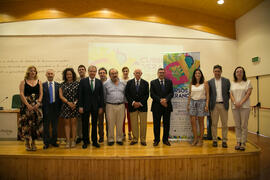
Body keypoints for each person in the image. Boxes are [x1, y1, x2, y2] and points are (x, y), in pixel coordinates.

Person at [79, 65, 104, 149]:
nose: (92, 73)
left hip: (96, 107)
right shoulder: (83, 81)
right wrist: (80, 106)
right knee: (85, 125)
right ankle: (85, 141)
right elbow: (80, 95)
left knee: (94, 124)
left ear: (96, 72)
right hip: (85, 107)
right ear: (88, 72)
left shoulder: (99, 82)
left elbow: (101, 96)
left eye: (94, 71)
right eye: (91, 71)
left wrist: (101, 107)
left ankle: (94, 141)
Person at [18, 66, 43, 151]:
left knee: (35, 125)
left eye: (34, 71)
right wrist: (27, 104)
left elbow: (41, 93)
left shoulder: (39, 82)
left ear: (36, 73)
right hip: (26, 106)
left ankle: (33, 143)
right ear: (28, 72)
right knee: (27, 125)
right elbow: (21, 94)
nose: (33, 72)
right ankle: (27, 143)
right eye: (31, 71)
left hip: (36, 106)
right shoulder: (23, 82)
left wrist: (38, 103)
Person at [230, 66, 252, 151]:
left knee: (244, 125)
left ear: (243, 73)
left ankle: (243, 142)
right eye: (237, 72)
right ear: (235, 74)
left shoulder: (248, 82)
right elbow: (230, 94)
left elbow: (248, 94)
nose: (239, 73)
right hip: (235, 107)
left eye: (240, 71)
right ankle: (238, 141)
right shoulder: (232, 83)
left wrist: (241, 103)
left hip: (245, 107)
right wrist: (235, 103)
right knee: (237, 125)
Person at [208, 65, 231, 148]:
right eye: (215, 71)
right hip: (214, 106)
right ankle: (214, 140)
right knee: (214, 124)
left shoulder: (226, 81)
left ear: (221, 72)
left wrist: (226, 100)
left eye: (218, 71)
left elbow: (229, 93)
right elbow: (208, 94)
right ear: (213, 72)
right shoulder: (210, 82)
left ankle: (224, 140)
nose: (217, 73)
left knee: (224, 124)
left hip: (223, 105)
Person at [125, 69, 149, 146]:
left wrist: (140, 103)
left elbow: (147, 95)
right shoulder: (129, 83)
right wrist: (133, 102)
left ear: (141, 74)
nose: (138, 74)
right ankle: (135, 139)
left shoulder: (145, 83)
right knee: (134, 124)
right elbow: (127, 94)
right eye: (136, 73)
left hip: (143, 106)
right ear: (134, 74)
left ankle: (143, 139)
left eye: (139, 73)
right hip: (132, 106)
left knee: (143, 124)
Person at [150, 68, 174, 146]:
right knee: (156, 124)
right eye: (160, 72)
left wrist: (166, 100)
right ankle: (156, 140)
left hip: (167, 106)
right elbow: (152, 94)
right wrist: (161, 100)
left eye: (163, 72)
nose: (161, 74)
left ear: (165, 73)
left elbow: (171, 93)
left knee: (166, 124)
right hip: (156, 106)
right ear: (157, 73)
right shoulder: (153, 82)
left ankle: (165, 140)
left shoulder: (169, 82)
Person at [103, 68, 126, 146]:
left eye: (116, 73)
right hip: (110, 105)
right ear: (109, 75)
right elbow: (104, 96)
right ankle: (110, 139)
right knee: (110, 123)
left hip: (121, 105)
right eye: (112, 74)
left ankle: (119, 138)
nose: (114, 75)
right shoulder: (106, 84)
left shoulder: (123, 83)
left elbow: (125, 94)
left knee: (120, 123)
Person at [187, 68, 209, 146]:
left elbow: (207, 95)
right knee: (193, 122)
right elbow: (190, 94)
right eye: (196, 73)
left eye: (199, 73)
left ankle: (201, 140)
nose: (197, 75)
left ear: (201, 74)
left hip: (201, 102)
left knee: (201, 122)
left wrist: (207, 104)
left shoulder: (205, 83)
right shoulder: (191, 83)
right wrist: (188, 105)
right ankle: (195, 139)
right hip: (192, 102)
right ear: (194, 75)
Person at [59, 68, 79, 148]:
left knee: (74, 124)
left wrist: (74, 103)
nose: (69, 76)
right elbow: (61, 96)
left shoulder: (77, 84)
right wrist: (68, 102)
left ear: (73, 75)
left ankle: (73, 140)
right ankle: (67, 141)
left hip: (74, 106)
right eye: (67, 74)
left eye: (70, 74)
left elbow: (79, 95)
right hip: (66, 106)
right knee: (67, 124)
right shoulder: (62, 84)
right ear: (65, 75)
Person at [42, 69, 61, 149]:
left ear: (54, 75)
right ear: (46, 75)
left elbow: (60, 98)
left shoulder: (58, 85)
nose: (50, 75)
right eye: (48, 74)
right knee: (46, 127)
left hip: (55, 108)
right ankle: (46, 143)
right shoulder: (42, 85)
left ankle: (53, 141)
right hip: (46, 108)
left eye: (51, 74)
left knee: (55, 127)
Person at [76, 65, 86, 144]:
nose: (81, 70)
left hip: (87, 104)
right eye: (80, 69)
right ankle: (79, 136)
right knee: (78, 121)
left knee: (86, 121)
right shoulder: (76, 80)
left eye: (82, 69)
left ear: (85, 71)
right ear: (78, 71)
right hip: (78, 103)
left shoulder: (88, 79)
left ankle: (85, 135)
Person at [97, 67, 108, 142]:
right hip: (99, 106)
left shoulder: (110, 82)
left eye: (103, 73)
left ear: (106, 73)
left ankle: (109, 137)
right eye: (100, 73)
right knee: (100, 122)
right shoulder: (97, 82)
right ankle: (101, 137)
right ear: (98, 74)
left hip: (108, 105)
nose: (102, 74)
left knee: (109, 122)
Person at [121, 67, 132, 141]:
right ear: (122, 72)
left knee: (129, 118)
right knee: (122, 118)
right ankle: (123, 133)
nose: (125, 72)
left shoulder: (131, 81)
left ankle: (129, 133)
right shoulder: (120, 80)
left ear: (128, 72)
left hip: (129, 102)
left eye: (126, 71)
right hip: (122, 102)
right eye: (124, 71)